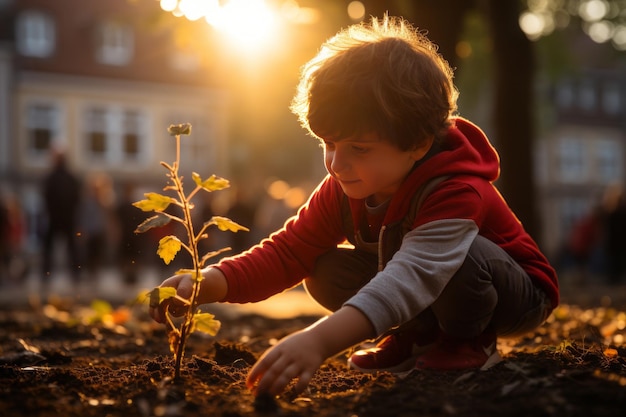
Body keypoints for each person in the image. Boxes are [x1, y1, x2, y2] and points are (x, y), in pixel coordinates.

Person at [150, 16, 559, 397]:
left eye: (358, 148)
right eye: (328, 144)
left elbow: (414, 274)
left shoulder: (453, 189)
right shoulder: (345, 186)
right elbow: (290, 250)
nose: (335, 163)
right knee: (323, 271)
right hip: (424, 281)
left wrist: (319, 339)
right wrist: (209, 282)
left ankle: (468, 341)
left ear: (417, 144)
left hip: (512, 294)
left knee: (458, 256)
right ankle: (418, 335)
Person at [41, 150, 82, 290]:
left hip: (56, 217)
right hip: (68, 218)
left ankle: (46, 274)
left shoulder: (52, 178)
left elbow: (46, 197)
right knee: (71, 246)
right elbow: (77, 198)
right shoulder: (71, 178)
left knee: (49, 246)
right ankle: (76, 274)